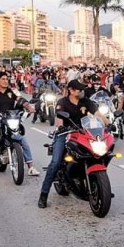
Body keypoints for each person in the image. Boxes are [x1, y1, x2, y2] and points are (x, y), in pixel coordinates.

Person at [38, 79, 109, 208]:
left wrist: (109, 124)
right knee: (55, 163)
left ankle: (98, 184)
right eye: (78, 89)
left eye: (82, 89)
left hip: (83, 133)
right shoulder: (62, 103)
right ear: (70, 90)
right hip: (65, 133)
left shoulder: (86, 101)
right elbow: (59, 120)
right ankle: (44, 194)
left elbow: (98, 114)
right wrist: (61, 127)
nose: (81, 91)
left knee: (98, 153)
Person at [0, 72, 40, 180]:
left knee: (23, 141)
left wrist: (29, 107)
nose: (6, 81)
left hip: (11, 119)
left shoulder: (11, 92)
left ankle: (31, 167)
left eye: (7, 79)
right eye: (3, 79)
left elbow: (21, 100)